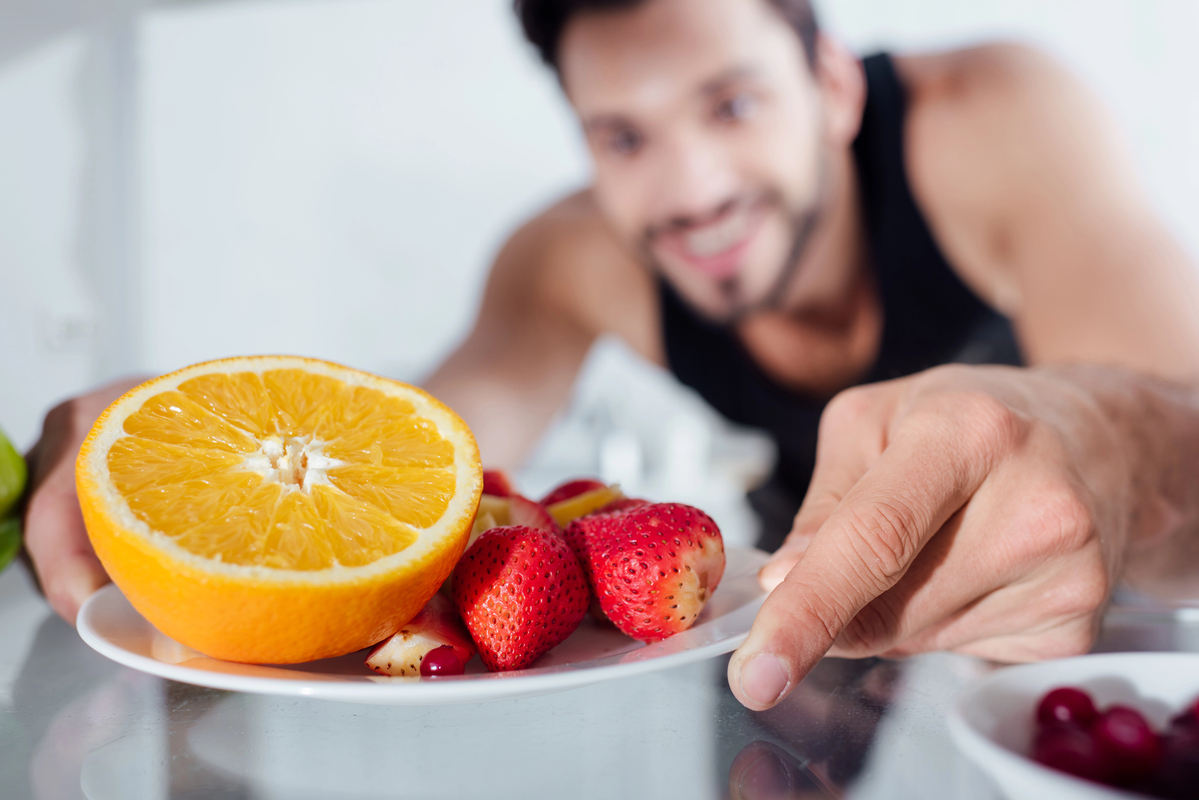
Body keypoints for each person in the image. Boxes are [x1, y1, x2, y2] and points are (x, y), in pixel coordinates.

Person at [19, 0, 1199, 713]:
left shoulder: (992, 118)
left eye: (730, 105)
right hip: (799, 626)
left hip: (1107, 629)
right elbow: (426, 464)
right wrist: (198, 463)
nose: (689, 190)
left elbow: (1181, 408)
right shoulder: (571, 256)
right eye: (623, 137)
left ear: (834, 86)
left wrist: (1103, 436)